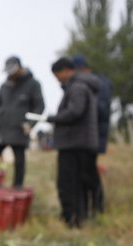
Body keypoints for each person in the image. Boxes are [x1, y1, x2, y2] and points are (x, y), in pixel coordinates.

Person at [47, 56, 100, 229]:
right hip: (80, 143)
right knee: (79, 183)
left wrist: (52, 118)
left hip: (74, 144)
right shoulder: (81, 86)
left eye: (57, 76)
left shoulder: (77, 87)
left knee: (68, 184)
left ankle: (72, 218)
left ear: (65, 71)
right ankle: (78, 218)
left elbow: (75, 112)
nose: (57, 80)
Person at [0, 56, 45, 188]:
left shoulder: (33, 84)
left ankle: (17, 188)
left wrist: (30, 124)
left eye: (13, 72)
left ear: (20, 68)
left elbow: (39, 107)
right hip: (0, 128)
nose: (10, 75)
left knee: (19, 161)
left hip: (19, 129)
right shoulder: (4, 86)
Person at [73, 54, 111, 214]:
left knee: (89, 173)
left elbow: (100, 110)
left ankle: (97, 206)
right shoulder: (89, 84)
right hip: (86, 136)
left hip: (92, 136)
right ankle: (87, 207)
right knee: (84, 173)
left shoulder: (97, 84)